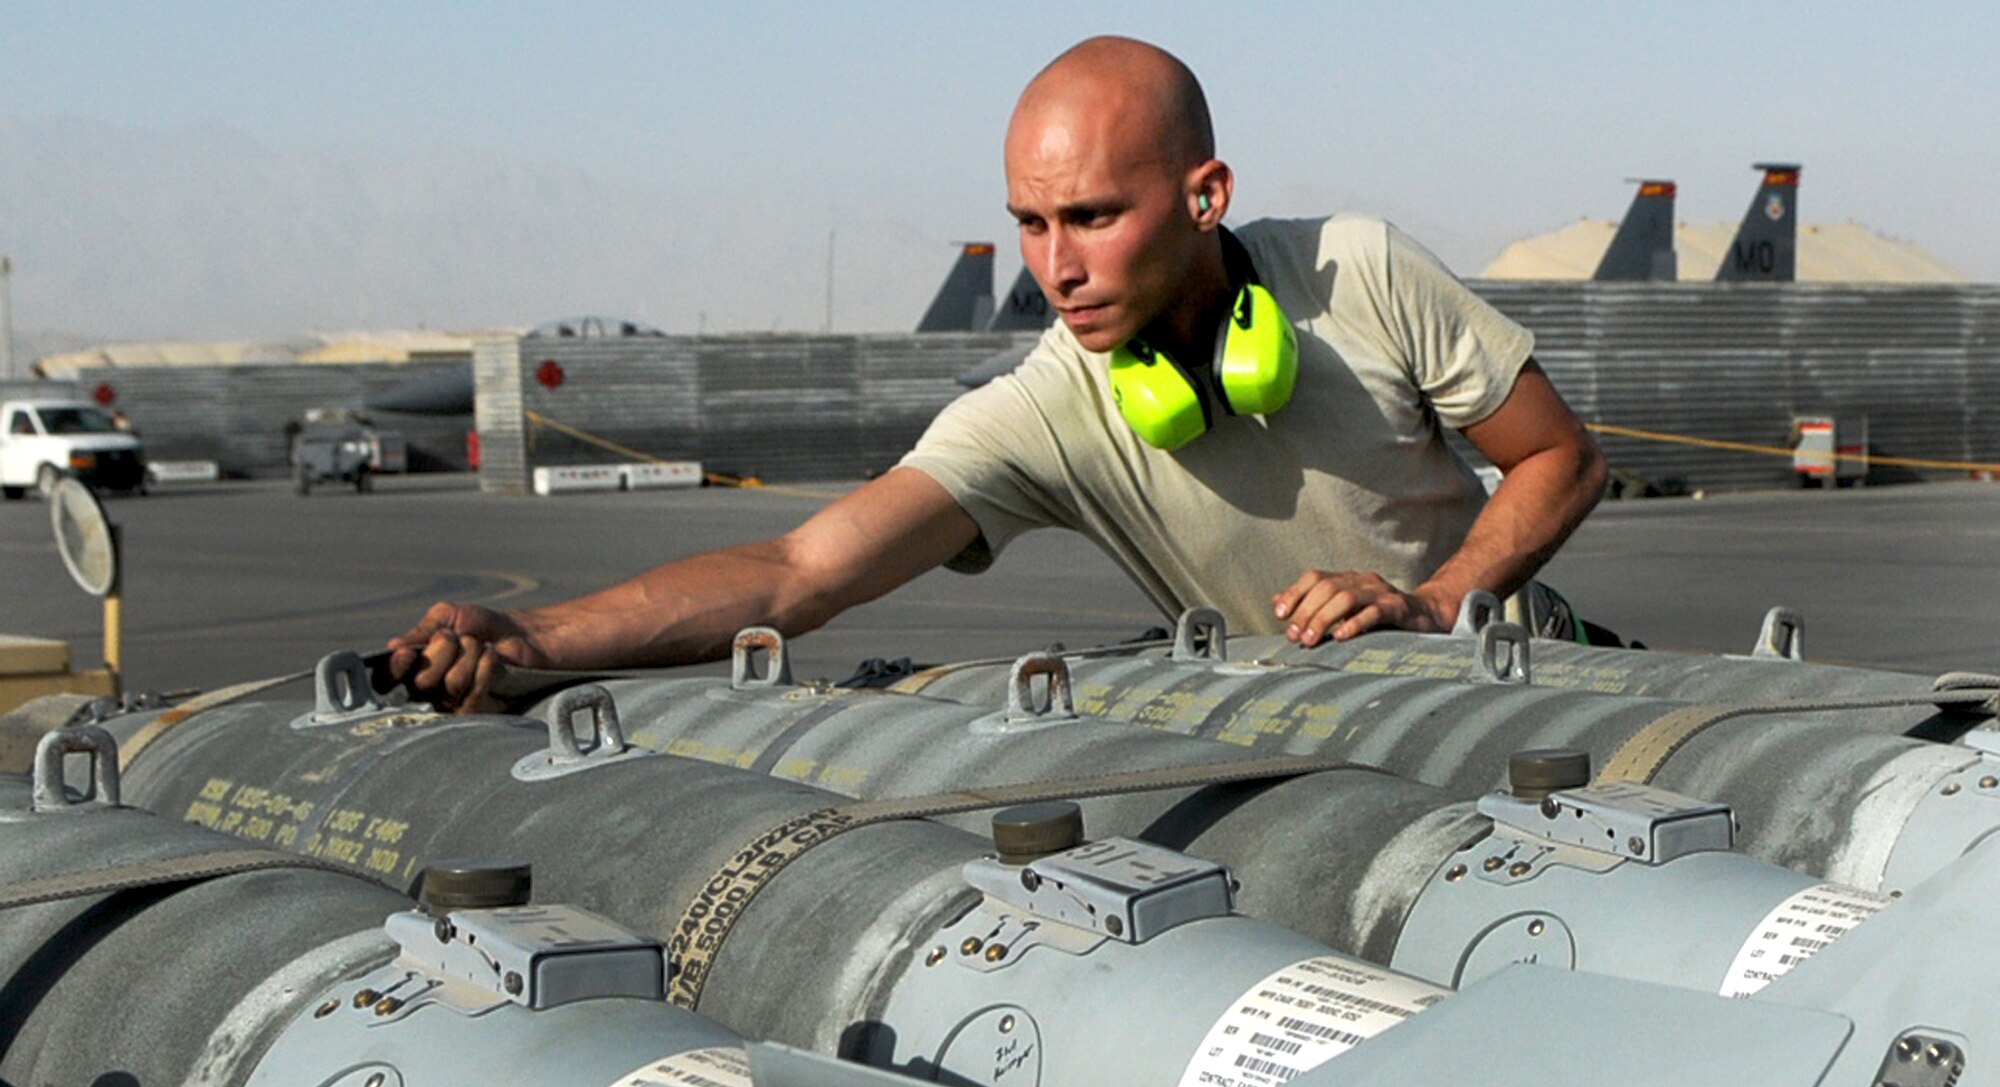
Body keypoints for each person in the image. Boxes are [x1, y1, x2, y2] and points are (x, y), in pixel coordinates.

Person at [389, 35, 1605, 711]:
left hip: (1524, 677)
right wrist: (535, 634)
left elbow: (1558, 455)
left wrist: (1440, 601)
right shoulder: (1045, 405)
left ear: (1205, 194)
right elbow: (799, 568)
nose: (1053, 267)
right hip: (1321, 722)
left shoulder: (1358, 272)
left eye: (1088, 216)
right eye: (1028, 222)